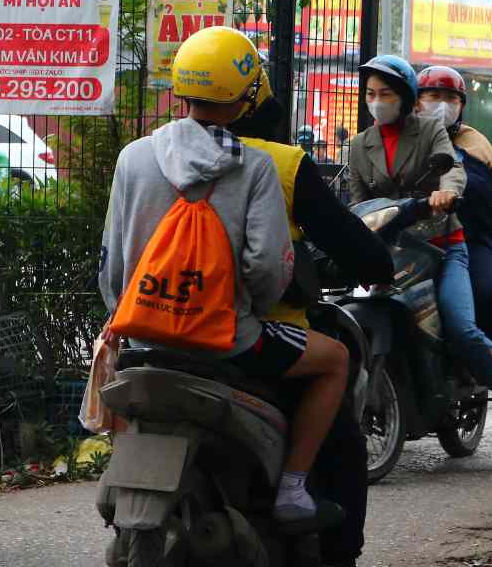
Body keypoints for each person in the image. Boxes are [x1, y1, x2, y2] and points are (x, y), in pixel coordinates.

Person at [99, 26, 341, 524]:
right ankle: (292, 489)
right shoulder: (254, 168)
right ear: (246, 98)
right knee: (336, 359)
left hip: (142, 339)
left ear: (181, 88)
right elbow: (268, 268)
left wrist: (134, 312)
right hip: (230, 341)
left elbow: (113, 265)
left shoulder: (134, 158)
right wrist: (245, 307)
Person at [229, 73, 392, 567]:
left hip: (152, 329)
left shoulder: (151, 155)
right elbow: (275, 266)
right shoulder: (279, 164)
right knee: (342, 428)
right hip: (252, 333)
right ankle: (335, 545)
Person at [345, 54, 492, 439]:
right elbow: (357, 202)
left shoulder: (431, 132)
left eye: (386, 93)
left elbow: (452, 169)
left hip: (443, 247)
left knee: (462, 327)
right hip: (393, 250)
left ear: (405, 97)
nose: (377, 101)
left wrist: (446, 195)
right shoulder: (359, 145)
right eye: (371, 93)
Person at [415, 66, 492, 360]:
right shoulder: (407, 140)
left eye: (450, 98)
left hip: (474, 241)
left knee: (487, 293)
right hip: (415, 242)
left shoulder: (477, 144)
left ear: (462, 104)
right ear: (416, 101)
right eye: (433, 96)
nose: (441, 104)